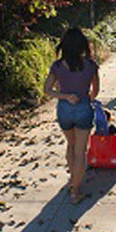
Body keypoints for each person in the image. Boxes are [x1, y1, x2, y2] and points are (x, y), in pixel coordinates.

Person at [43, 28, 100, 204]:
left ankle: (73, 179)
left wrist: (65, 96)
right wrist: (86, 99)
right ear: (82, 45)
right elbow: (95, 91)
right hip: (83, 108)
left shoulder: (57, 66)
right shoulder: (91, 65)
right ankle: (75, 191)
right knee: (80, 152)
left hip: (64, 110)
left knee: (71, 145)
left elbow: (47, 91)